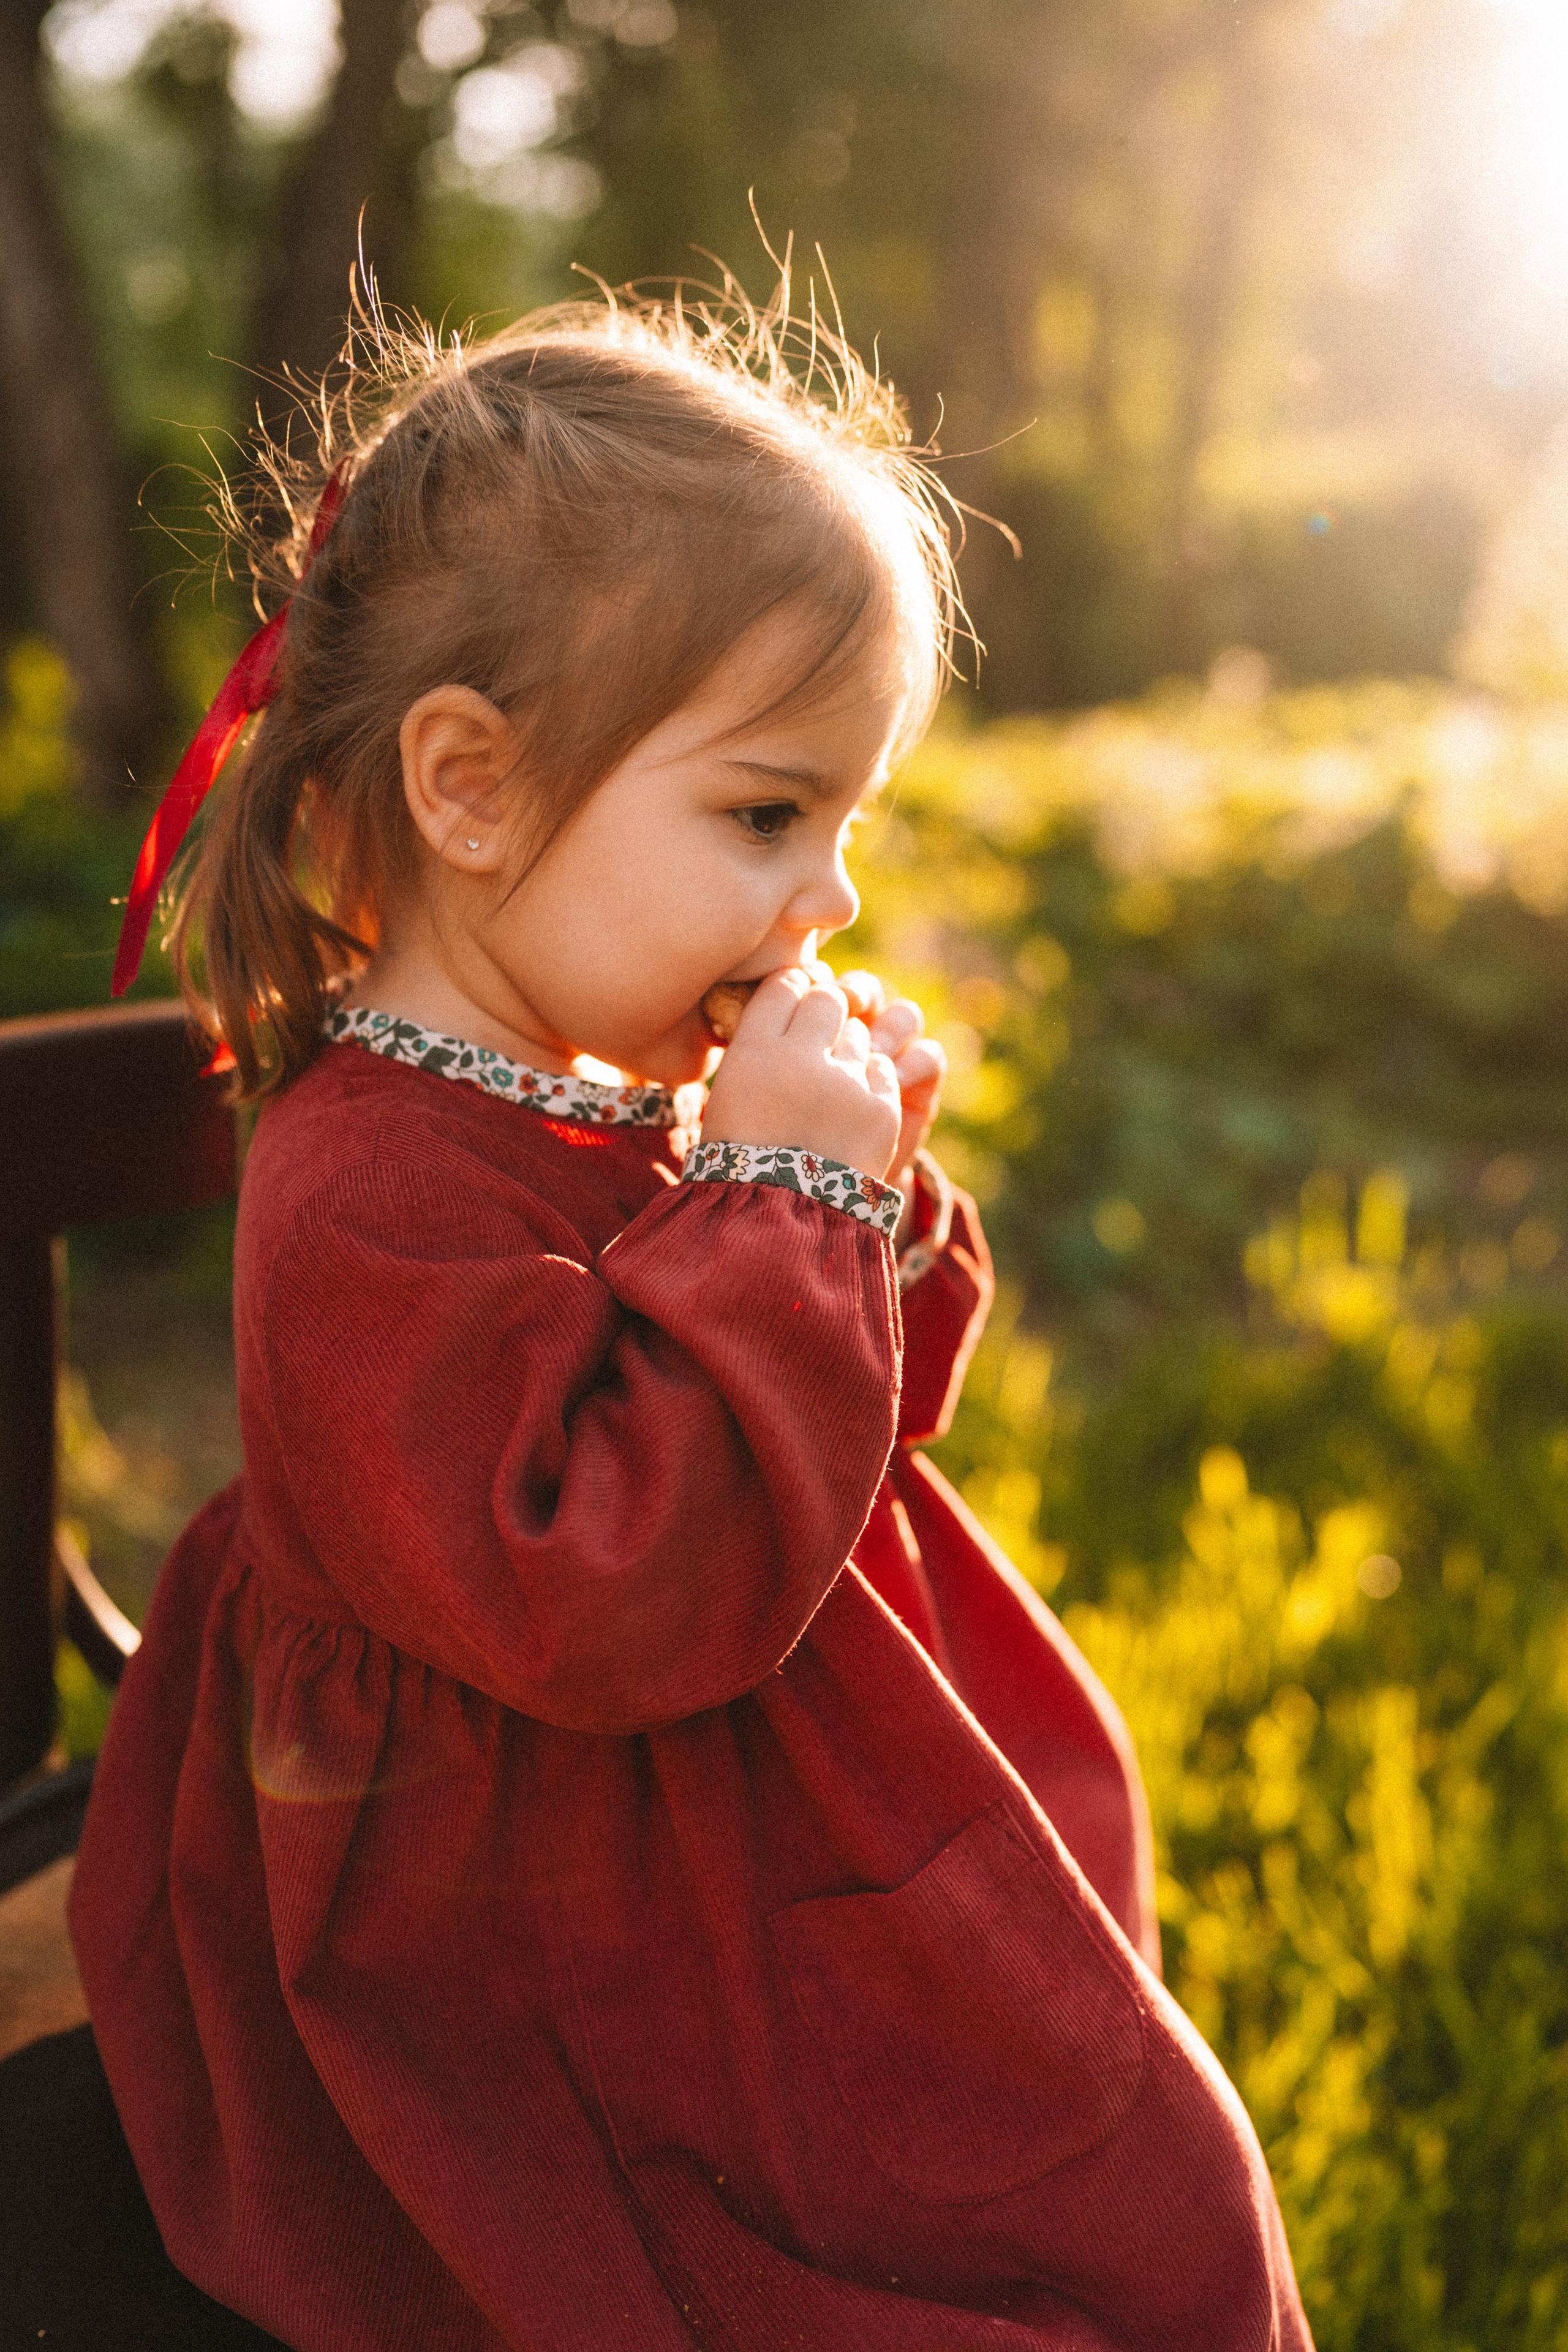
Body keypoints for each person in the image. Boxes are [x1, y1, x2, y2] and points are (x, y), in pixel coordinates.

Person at [70, 285, 1312, 2351]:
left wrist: (853, 1188)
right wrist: (781, 1197)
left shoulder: (616, 1071)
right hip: (531, 1919)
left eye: (848, 825)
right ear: (468, 786)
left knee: (1129, 2159)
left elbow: (860, 1424)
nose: (826, 897)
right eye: (765, 816)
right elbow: (601, 1597)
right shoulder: (359, 1192)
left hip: (728, 1813)